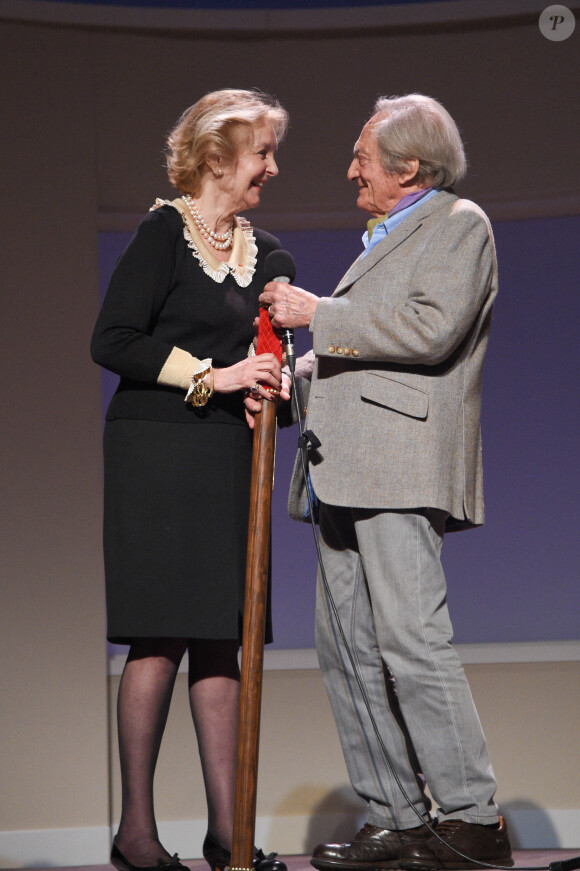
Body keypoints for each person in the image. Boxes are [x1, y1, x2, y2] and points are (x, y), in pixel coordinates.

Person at [255, 94, 513, 870]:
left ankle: (471, 815)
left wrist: (318, 313)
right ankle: (397, 814)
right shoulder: (386, 236)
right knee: (348, 652)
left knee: (412, 642)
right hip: (342, 472)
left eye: (362, 156)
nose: (350, 170)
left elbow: (430, 330)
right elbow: (353, 356)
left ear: (409, 166)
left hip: (399, 468)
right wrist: (288, 378)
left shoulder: (458, 225)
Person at [91, 89, 290, 871]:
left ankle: (228, 836)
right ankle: (136, 833)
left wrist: (267, 387)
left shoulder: (267, 255)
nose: (272, 168)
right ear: (216, 158)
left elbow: (270, 362)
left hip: (225, 459)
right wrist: (217, 374)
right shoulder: (161, 234)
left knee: (222, 639)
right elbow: (112, 339)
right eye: (262, 153)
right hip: (156, 452)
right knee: (159, 634)